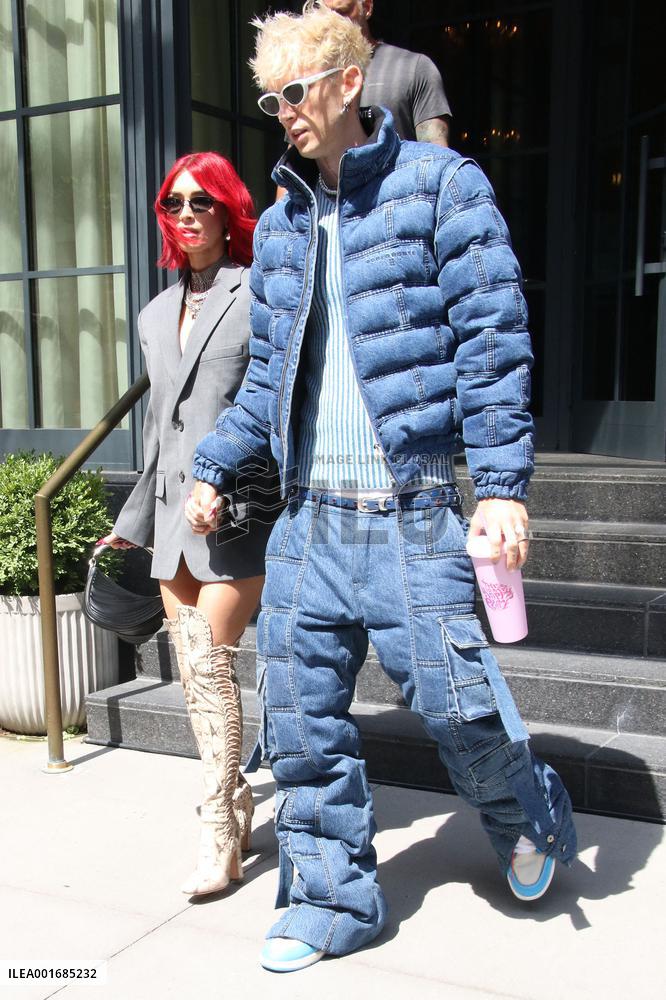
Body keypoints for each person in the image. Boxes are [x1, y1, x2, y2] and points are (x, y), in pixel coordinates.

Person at [188, 6, 576, 973]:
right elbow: (272, 381)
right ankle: (331, 903)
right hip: (308, 525)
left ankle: (528, 805)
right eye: (268, 99)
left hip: (411, 519)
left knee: (459, 710)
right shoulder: (280, 226)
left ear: (348, 82)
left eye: (294, 92)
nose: (281, 113)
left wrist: (500, 486)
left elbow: (493, 342)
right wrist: (211, 468)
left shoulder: (442, 189)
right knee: (303, 729)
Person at [104, 152, 275, 898]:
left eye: (203, 201)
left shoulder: (258, 291)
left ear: (229, 209)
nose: (188, 214)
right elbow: (158, 430)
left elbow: (270, 401)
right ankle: (232, 798)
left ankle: (217, 829)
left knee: (211, 663)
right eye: (174, 203)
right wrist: (134, 518)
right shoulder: (152, 313)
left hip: (236, 509)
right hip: (172, 511)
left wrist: (226, 478)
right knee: (193, 674)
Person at [304, 0, 452, 144]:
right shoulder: (308, 76)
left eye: (342, 12)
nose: (333, 22)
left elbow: (436, 157)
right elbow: (294, 161)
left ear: (367, 7)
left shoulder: (414, 67)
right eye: (325, 14)